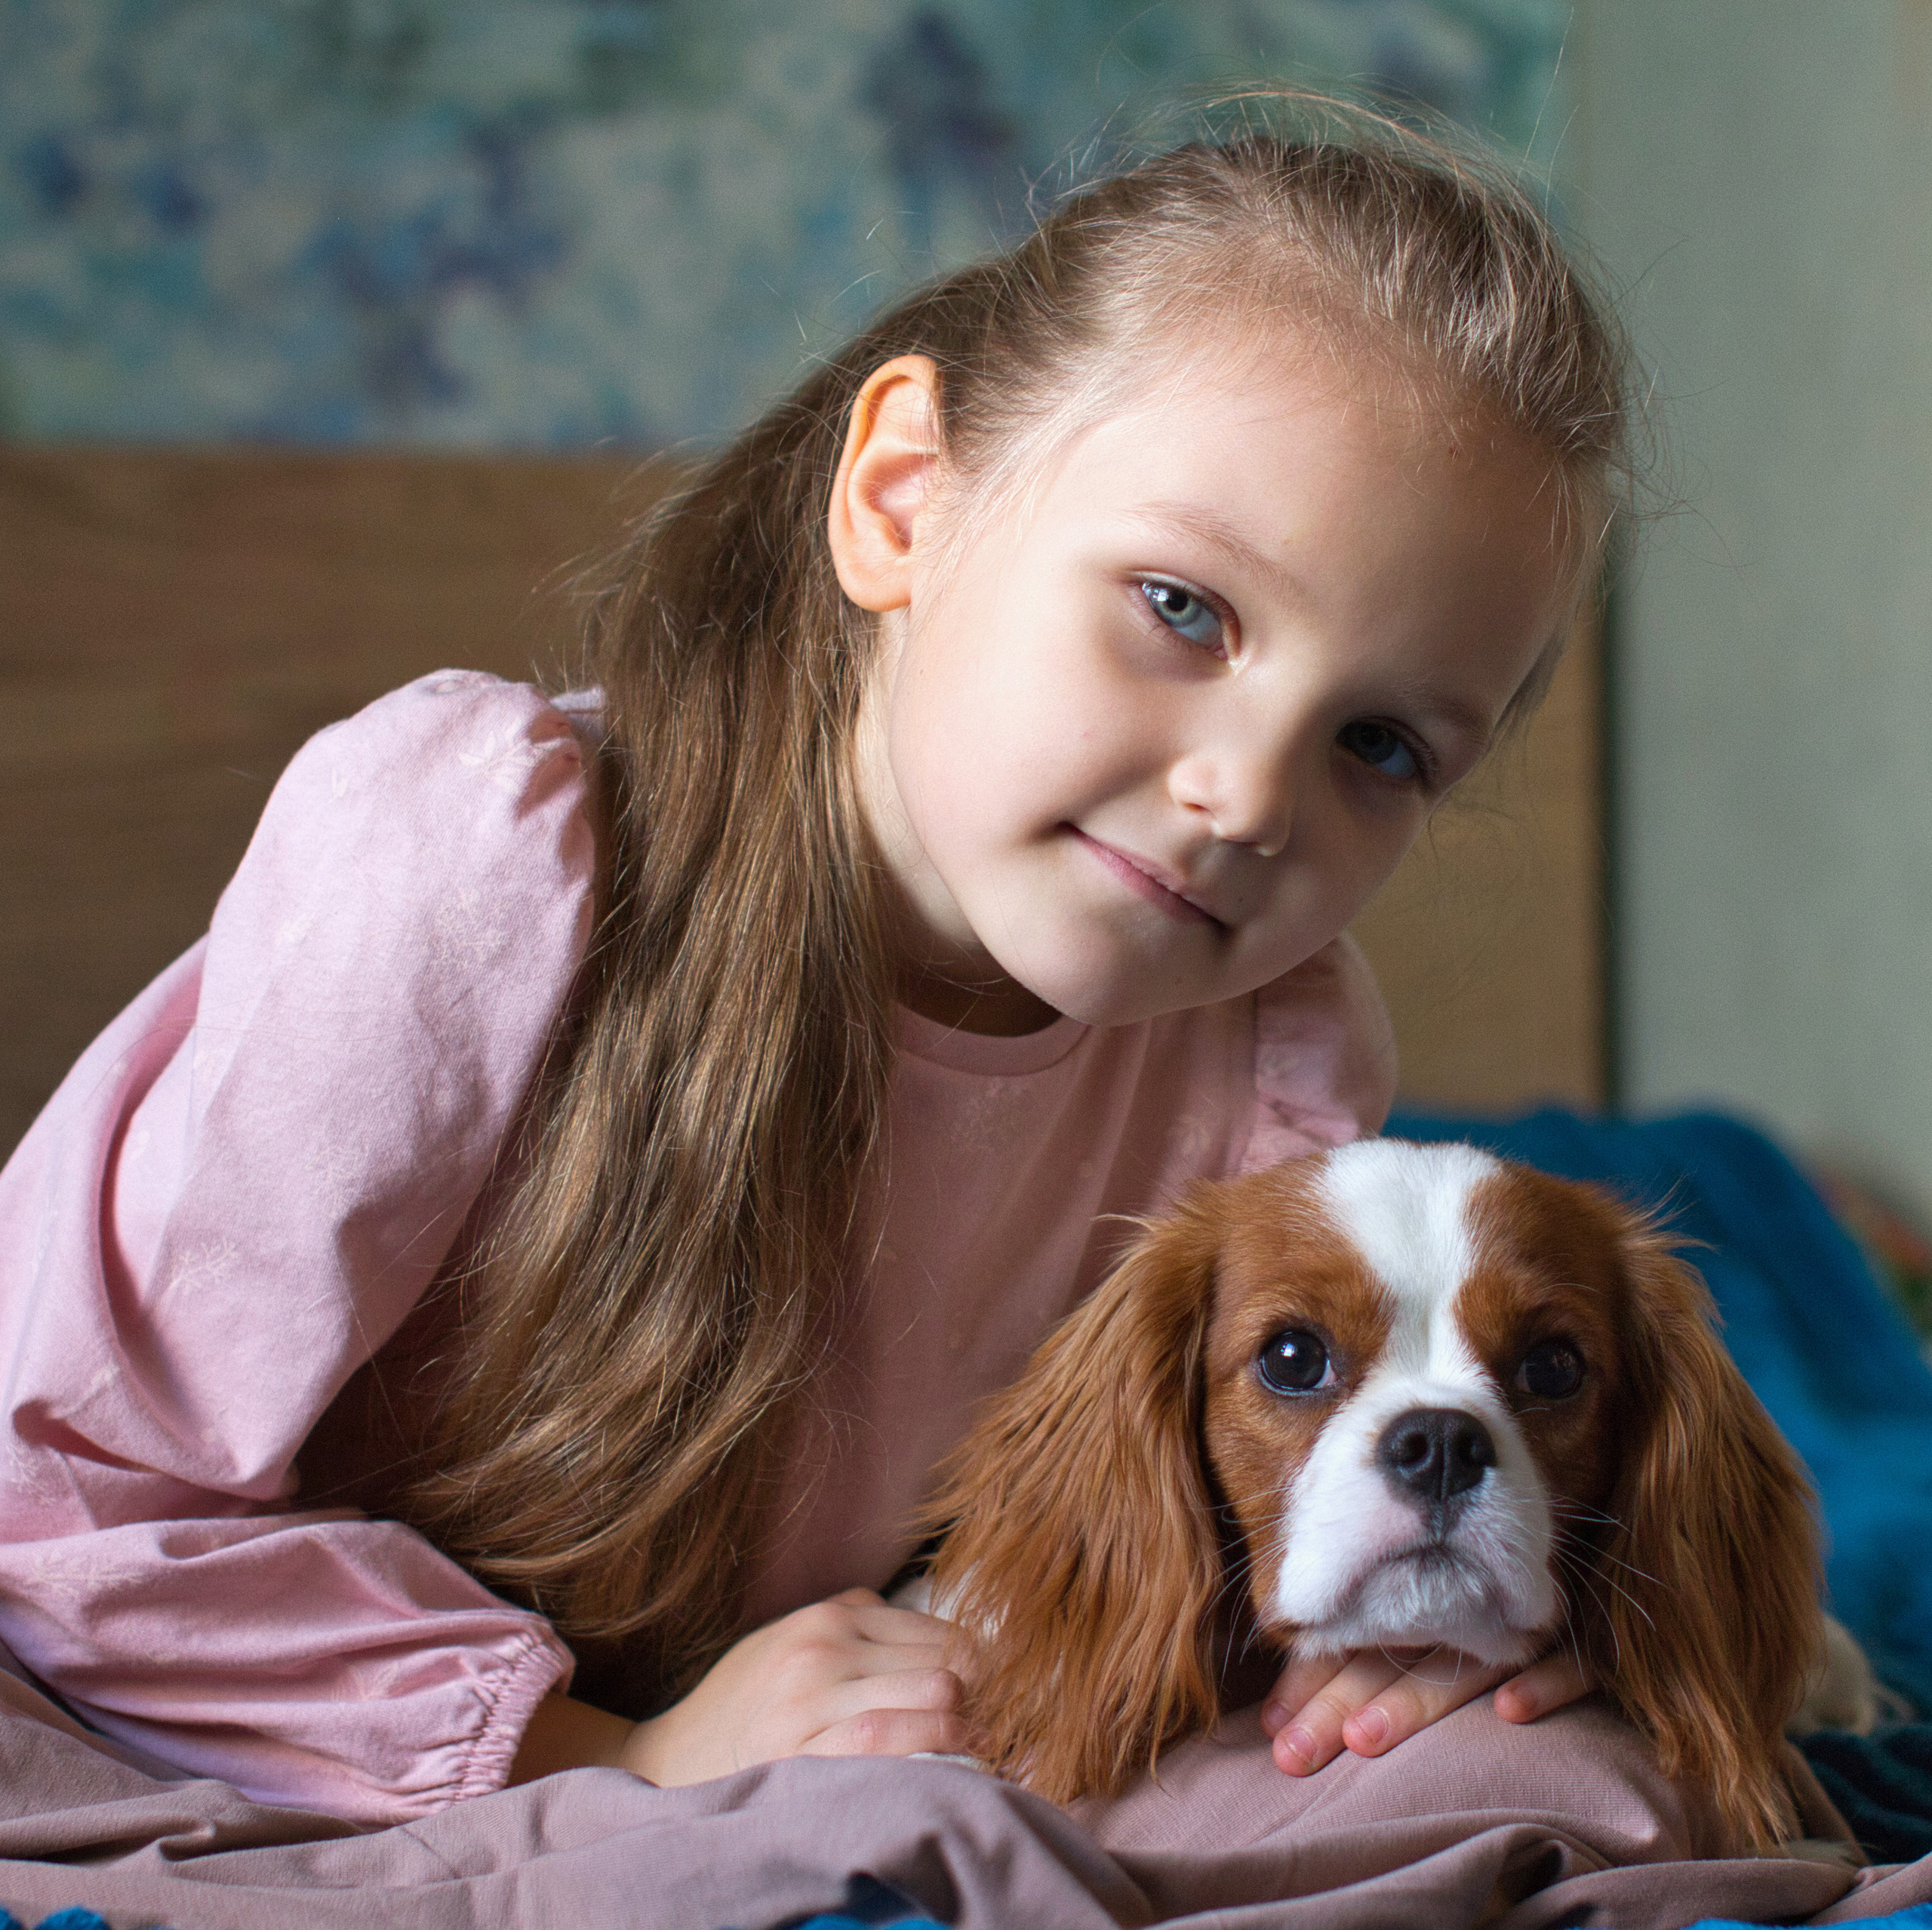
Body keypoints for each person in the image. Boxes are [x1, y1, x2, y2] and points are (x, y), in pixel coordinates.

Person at [0, 108, 1632, 1827]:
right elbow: (58, 1504)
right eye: (1179, 607)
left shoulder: (1273, 1054)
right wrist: (605, 1754)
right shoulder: (482, 858)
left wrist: (1420, 1615)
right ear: (901, 499)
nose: (1247, 797)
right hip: (228, 1700)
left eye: (1378, 744)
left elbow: (1131, 1549)